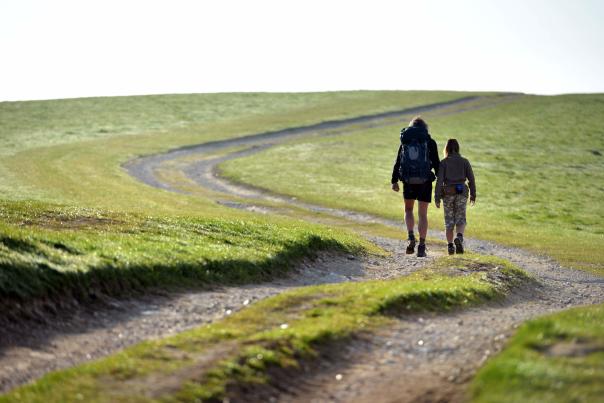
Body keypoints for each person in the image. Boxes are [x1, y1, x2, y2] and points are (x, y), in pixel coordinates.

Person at [391, 116, 440, 257]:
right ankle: (422, 246)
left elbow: (398, 162)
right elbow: (436, 163)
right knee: (422, 214)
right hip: (425, 181)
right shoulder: (430, 142)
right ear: (425, 128)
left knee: (408, 209)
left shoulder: (405, 141)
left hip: (408, 180)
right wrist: (441, 181)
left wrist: (394, 181)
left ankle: (411, 236)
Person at [434, 139, 476, 255]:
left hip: (447, 194)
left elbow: (440, 181)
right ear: (458, 148)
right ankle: (459, 237)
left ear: (446, 149)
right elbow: (471, 179)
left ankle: (450, 246)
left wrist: (437, 197)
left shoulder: (443, 163)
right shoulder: (465, 162)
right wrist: (473, 194)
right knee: (461, 218)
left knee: (449, 221)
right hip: (461, 193)